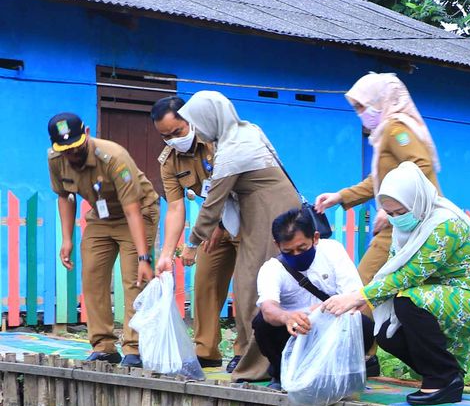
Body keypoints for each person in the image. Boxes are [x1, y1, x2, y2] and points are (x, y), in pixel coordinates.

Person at [322, 163, 470, 406]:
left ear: (416, 201)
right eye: (390, 214)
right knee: (386, 333)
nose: (396, 219)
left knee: (407, 301)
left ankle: (443, 379)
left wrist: (359, 296)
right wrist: (363, 299)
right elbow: (394, 268)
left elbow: (410, 275)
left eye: (400, 212)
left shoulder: (445, 225)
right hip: (438, 296)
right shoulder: (407, 227)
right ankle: (445, 373)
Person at [313, 73, 442, 378]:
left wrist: (395, 205)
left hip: (405, 222)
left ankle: (363, 355)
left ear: (381, 100)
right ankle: (376, 354)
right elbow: (379, 179)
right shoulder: (386, 131)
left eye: (364, 106)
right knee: (386, 289)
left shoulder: (397, 128)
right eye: (357, 108)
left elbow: (419, 166)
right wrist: (340, 197)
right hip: (400, 220)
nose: (362, 114)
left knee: (364, 285)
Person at [177, 91, 299, 382]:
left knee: (254, 288)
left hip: (269, 213)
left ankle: (261, 364)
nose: (197, 129)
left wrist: (192, 244)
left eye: (197, 121)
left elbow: (212, 204)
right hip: (265, 211)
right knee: (249, 286)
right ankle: (256, 357)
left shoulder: (233, 149)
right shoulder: (244, 132)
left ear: (210, 118)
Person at [48, 112, 159, 367]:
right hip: (100, 215)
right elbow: (64, 196)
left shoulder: (113, 157)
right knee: (93, 277)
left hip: (137, 212)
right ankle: (104, 346)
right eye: (65, 149)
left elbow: (132, 209)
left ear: (86, 132)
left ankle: (134, 347)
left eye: (75, 147)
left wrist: (144, 257)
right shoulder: (55, 159)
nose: (71, 154)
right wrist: (67, 239)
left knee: (134, 280)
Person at [150, 96, 245, 371]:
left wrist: (215, 225)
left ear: (189, 120)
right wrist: (166, 254)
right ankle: (206, 351)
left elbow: (231, 187)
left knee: (246, 287)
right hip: (213, 224)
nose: (172, 140)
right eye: (165, 136)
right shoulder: (169, 161)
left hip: (246, 220)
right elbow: (176, 208)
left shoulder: (217, 140)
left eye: (176, 132)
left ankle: (246, 352)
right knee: (205, 282)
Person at [253, 208, 373, 390]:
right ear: (277, 245)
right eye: (288, 251)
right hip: (294, 332)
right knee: (262, 323)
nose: (296, 255)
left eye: (302, 249)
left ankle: (339, 375)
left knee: (364, 325)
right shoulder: (271, 269)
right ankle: (280, 374)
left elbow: (355, 296)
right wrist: (287, 318)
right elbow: (269, 309)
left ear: (315, 238)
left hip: (332, 326)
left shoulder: (333, 251)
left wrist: (324, 310)